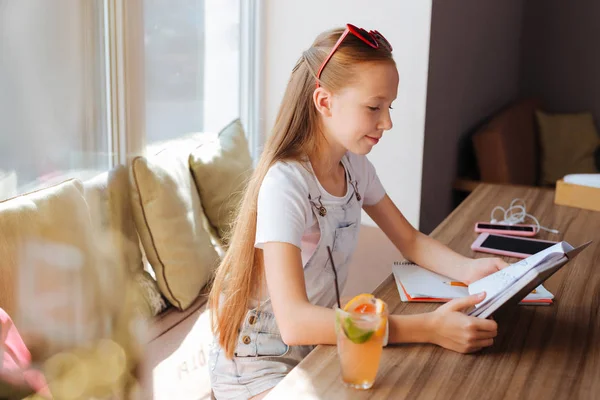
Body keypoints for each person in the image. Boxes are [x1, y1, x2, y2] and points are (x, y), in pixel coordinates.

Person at [208, 24, 507, 400]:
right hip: (256, 365)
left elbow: (410, 240)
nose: (387, 122)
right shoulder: (285, 185)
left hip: (317, 347)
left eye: (389, 107)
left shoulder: (354, 168)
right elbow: (295, 323)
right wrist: (428, 328)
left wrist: (470, 269)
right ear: (324, 101)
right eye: (373, 107)